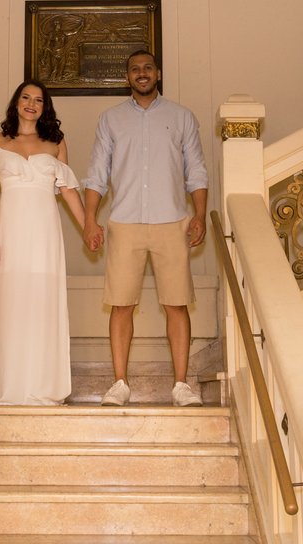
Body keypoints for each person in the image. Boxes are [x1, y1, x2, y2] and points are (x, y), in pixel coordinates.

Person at [82, 50, 208, 407]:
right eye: (135, 69)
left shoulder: (182, 117)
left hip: (173, 222)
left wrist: (198, 214)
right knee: (120, 305)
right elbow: (96, 174)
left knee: (177, 303)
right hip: (124, 222)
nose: (141, 73)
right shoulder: (110, 120)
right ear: (127, 77)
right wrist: (90, 219)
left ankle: (181, 385)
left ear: (158, 73)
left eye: (147, 68)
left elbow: (196, 170)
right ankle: (119, 383)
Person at [0, 81, 85, 405]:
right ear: (16, 102)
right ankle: (7, 386)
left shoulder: (56, 143)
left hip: (45, 234)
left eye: (38, 100)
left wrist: (88, 228)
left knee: (41, 303)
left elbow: (68, 191)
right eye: (26, 97)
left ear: (44, 107)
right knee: (11, 303)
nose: (31, 104)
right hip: (9, 232)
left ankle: (42, 387)